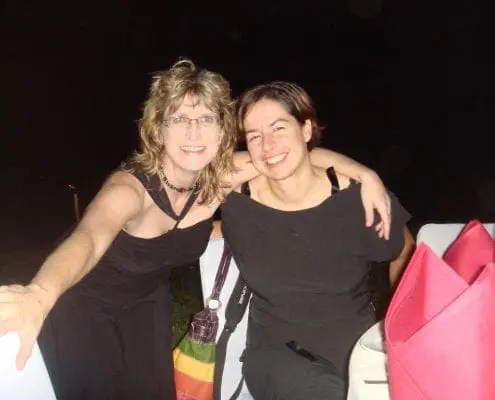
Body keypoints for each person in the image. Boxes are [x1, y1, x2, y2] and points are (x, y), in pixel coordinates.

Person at [0, 60, 392, 399]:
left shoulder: (217, 178)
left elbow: (290, 154)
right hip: (85, 300)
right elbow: (88, 237)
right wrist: (39, 294)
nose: (193, 132)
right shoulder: (131, 188)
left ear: (222, 130)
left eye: (206, 119)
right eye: (179, 119)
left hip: (147, 298)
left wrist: (364, 174)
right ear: (158, 130)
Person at [219, 81, 415, 399]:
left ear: (307, 129)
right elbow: (196, 170)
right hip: (277, 356)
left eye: (279, 128)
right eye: (254, 136)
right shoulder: (238, 201)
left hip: (358, 352)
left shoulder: (358, 199)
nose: (268, 144)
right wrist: (363, 170)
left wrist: (401, 321)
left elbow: (405, 251)